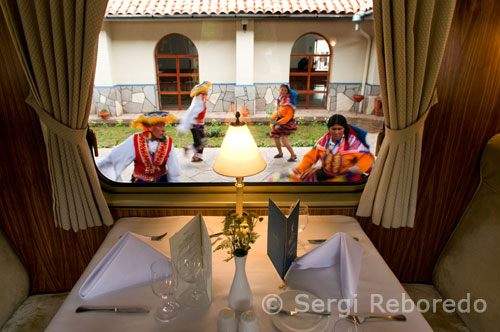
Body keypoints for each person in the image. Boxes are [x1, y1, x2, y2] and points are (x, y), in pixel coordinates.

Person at [96, 112, 180, 183]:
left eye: (164, 126)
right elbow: (115, 156)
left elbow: (174, 168)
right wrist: (99, 167)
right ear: (149, 127)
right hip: (139, 185)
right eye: (160, 126)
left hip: (162, 184)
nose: (163, 130)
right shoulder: (136, 139)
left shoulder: (168, 142)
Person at [293, 114, 374, 182]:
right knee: (306, 178)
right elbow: (309, 157)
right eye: (333, 129)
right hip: (327, 173)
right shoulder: (323, 142)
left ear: (344, 129)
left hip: (346, 176)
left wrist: (354, 170)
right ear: (329, 129)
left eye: (339, 129)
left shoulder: (352, 142)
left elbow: (366, 158)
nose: (336, 132)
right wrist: (298, 170)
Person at [178, 81, 211, 162]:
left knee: (203, 141)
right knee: (199, 143)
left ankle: (197, 156)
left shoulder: (201, 98)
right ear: (202, 91)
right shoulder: (198, 101)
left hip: (199, 125)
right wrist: (184, 125)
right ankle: (188, 149)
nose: (207, 90)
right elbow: (190, 113)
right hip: (195, 126)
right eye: (206, 89)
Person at [269, 84, 298, 162]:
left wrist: (279, 122)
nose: (282, 91)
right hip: (281, 122)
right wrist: (273, 116)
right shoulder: (280, 99)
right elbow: (278, 111)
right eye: (281, 90)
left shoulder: (289, 103)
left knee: (284, 140)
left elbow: (288, 116)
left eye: (284, 90)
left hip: (288, 124)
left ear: (287, 91)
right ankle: (280, 153)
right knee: (276, 137)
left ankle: (293, 155)